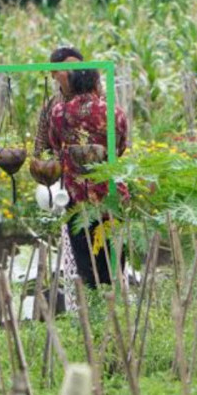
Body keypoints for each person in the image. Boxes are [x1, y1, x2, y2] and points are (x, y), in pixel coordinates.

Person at [48, 69, 129, 288]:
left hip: (77, 198)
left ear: (72, 86)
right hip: (109, 196)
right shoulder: (114, 111)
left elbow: (56, 146)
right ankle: (115, 303)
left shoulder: (58, 112)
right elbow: (120, 148)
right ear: (96, 84)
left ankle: (93, 305)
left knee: (85, 261)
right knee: (113, 258)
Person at [35, 47, 82, 156]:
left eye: (78, 68)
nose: (73, 73)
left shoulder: (99, 101)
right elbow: (41, 146)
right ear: (53, 73)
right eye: (67, 68)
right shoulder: (51, 105)